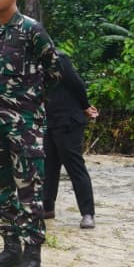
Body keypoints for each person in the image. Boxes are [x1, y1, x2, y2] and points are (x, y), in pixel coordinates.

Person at [0, 0, 60, 267]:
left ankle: (33, 257)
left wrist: (30, 101)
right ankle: (10, 248)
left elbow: (54, 69)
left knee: (29, 187)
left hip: (23, 123)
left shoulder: (31, 30)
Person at [41, 51, 100, 229]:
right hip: (49, 120)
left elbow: (76, 84)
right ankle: (47, 207)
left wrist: (85, 106)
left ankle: (87, 213)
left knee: (74, 166)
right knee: (49, 165)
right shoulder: (30, 62)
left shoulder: (58, 59)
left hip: (68, 120)